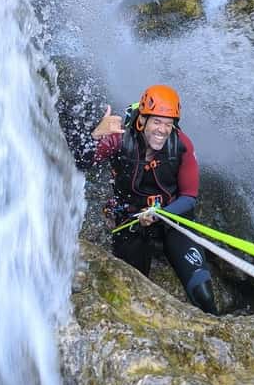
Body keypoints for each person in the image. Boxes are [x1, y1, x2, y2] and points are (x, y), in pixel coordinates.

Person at [91, 84, 217, 314]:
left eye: (168, 124)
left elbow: (189, 197)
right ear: (143, 120)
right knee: (134, 292)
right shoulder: (119, 139)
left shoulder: (181, 145)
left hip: (171, 217)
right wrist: (95, 136)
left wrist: (160, 215)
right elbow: (82, 161)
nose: (162, 130)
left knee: (204, 294)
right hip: (131, 219)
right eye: (157, 122)